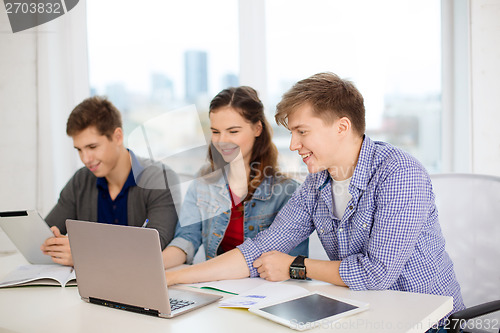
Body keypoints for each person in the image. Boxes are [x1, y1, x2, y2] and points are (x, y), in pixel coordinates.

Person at [165, 73, 465, 326]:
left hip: (426, 322)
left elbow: (376, 274)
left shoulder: (399, 173)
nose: (294, 144)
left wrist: (297, 266)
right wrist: (175, 278)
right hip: (365, 316)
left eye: (302, 132)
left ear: (342, 127)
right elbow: (262, 248)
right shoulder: (316, 183)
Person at [162, 86, 308, 268]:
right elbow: (186, 239)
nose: (222, 141)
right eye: (215, 132)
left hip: (264, 290)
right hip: (216, 285)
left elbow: (292, 264)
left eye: (233, 132)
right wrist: (153, 266)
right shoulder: (203, 183)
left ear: (257, 129)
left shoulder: (287, 191)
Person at [41, 96, 179, 266]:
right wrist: (51, 241)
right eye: (79, 150)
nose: (85, 158)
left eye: (92, 147)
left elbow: (154, 245)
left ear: (118, 137)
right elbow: (48, 230)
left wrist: (83, 253)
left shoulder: (159, 179)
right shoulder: (81, 180)